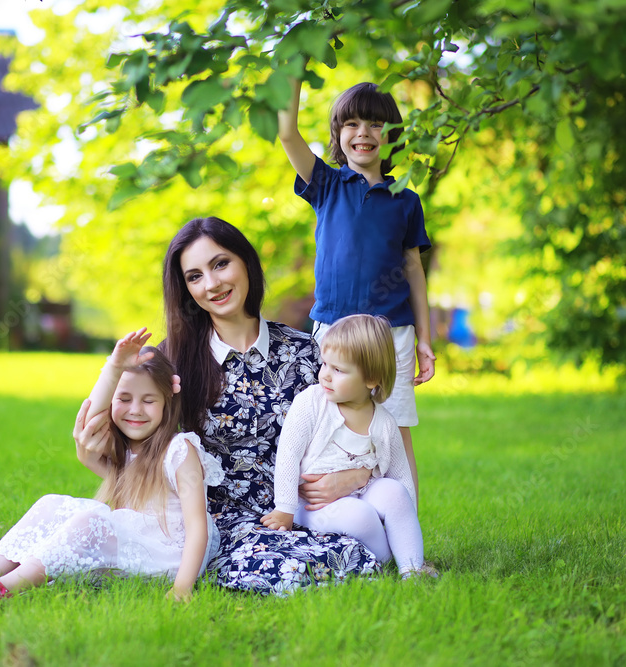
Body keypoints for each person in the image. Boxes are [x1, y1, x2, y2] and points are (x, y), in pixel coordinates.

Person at [0, 330, 223, 607]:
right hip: (136, 542)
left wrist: (182, 588)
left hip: (170, 553)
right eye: (124, 398)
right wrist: (114, 367)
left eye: (148, 400)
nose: (135, 410)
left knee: (91, 520)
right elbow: (89, 421)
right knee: (51, 503)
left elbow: (197, 527)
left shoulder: (180, 450)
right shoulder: (126, 448)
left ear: (167, 400)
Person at [161, 216, 382, 594]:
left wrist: (359, 474)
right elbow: (130, 436)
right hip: (226, 521)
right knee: (293, 572)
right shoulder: (173, 362)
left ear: (246, 262)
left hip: (308, 507)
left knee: (357, 552)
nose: (212, 284)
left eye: (220, 264)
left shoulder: (307, 352)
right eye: (194, 276)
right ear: (185, 290)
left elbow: (365, 425)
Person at [278, 77, 435, 497]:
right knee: (328, 424)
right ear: (338, 135)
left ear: (392, 135)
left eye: (375, 124)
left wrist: (424, 339)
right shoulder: (326, 185)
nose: (363, 132)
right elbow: (288, 133)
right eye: (351, 124)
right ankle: (337, 516)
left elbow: (413, 271)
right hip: (332, 331)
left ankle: (405, 531)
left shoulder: (406, 201)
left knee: (395, 433)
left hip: (392, 334)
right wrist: (294, 68)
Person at [259, 315, 438, 578]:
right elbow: (287, 456)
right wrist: (284, 508)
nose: (325, 376)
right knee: (360, 516)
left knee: (395, 492)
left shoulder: (385, 423)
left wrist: (404, 522)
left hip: (361, 491)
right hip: (312, 505)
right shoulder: (311, 403)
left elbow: (401, 477)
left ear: (371, 379)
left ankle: (412, 568)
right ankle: (387, 559)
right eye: (325, 364)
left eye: (339, 370)